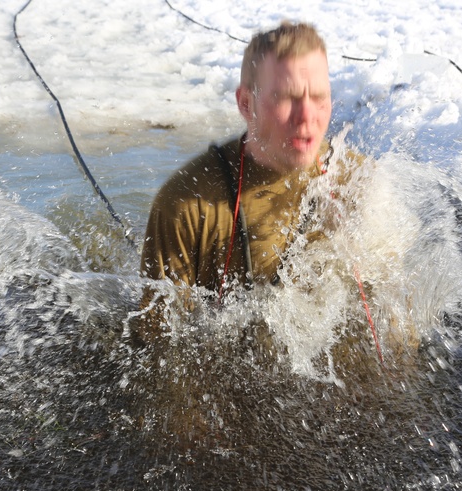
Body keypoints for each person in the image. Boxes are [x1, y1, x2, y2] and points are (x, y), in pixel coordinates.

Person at [135, 21, 361, 344]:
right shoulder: (185, 204)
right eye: (287, 98)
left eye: (320, 97)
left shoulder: (354, 180)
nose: (307, 116)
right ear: (246, 103)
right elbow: (159, 350)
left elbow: (395, 326)